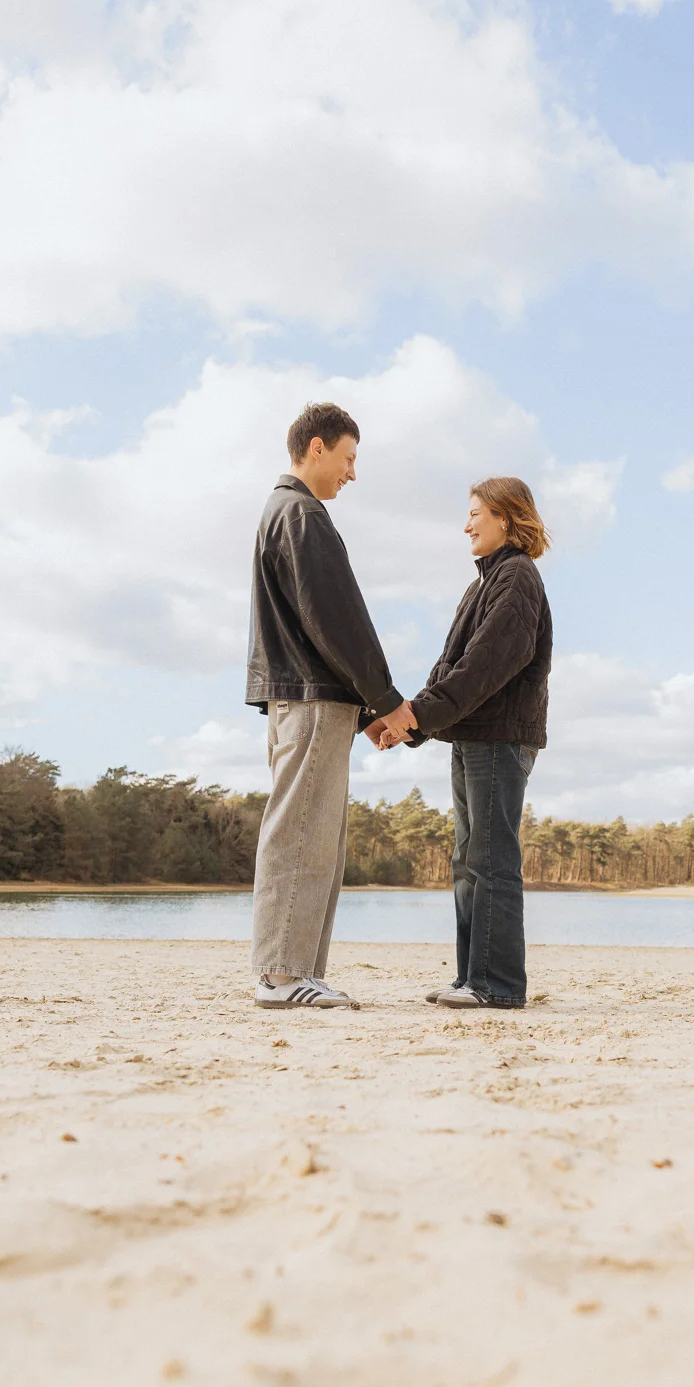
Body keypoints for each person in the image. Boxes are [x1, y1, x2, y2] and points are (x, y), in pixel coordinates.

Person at [246, 402, 416, 1010]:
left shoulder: (288, 513)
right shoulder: (300, 514)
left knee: (317, 840)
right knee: (300, 835)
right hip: (311, 701)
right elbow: (335, 621)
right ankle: (281, 976)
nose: (352, 473)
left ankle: (298, 973)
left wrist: (365, 713)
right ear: (316, 447)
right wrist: (386, 701)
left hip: (313, 700)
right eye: (348, 458)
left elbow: (312, 625)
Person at [377, 477, 552, 1010]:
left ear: (505, 517)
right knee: (468, 860)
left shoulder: (517, 577)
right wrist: (407, 723)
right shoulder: (482, 585)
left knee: (492, 858)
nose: (466, 525)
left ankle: (497, 985)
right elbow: (449, 666)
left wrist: (417, 718)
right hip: (473, 736)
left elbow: (486, 666)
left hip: (499, 738)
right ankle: (471, 979)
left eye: (476, 513)